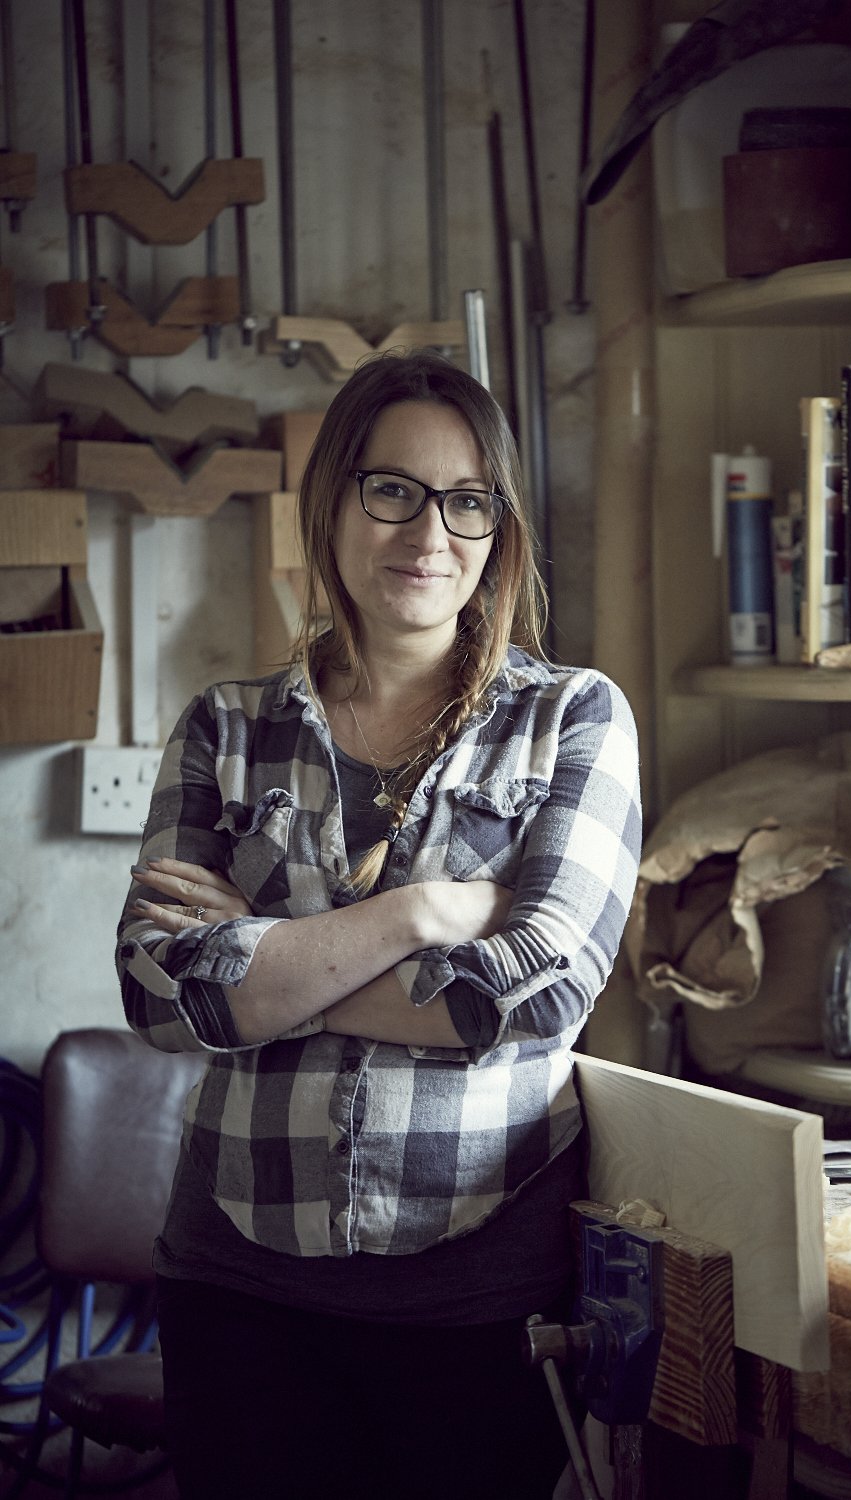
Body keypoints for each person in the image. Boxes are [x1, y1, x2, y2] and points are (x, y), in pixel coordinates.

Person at [116, 347, 642, 1500]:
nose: (428, 533)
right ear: (334, 500)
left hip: (475, 1290)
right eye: (391, 489)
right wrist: (427, 911)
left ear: (498, 528)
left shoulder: (573, 722)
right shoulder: (227, 728)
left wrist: (263, 968)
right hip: (235, 1280)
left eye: (467, 501)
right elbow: (159, 993)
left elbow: (537, 996)